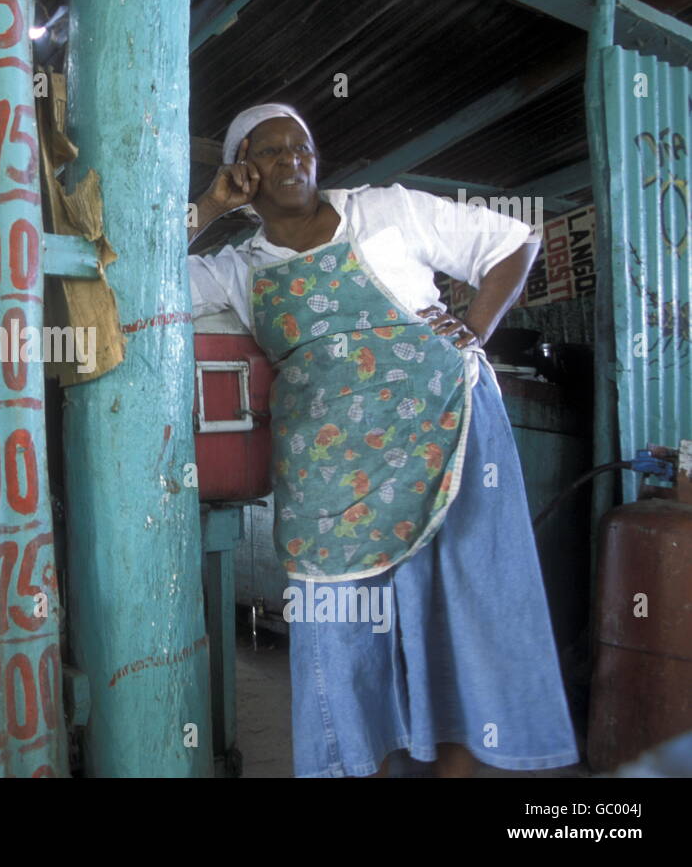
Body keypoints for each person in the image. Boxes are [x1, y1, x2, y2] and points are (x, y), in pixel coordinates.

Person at [187, 103, 579, 778]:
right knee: (339, 628)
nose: (293, 161)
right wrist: (207, 206)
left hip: (445, 437)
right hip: (328, 475)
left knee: (459, 614)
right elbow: (131, 278)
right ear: (241, 172)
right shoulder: (237, 268)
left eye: (302, 148)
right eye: (270, 151)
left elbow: (513, 242)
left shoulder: (384, 210)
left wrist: (476, 328)